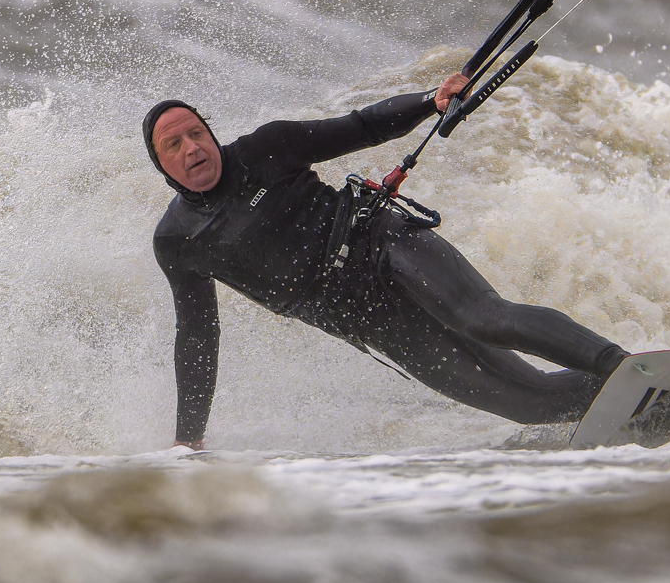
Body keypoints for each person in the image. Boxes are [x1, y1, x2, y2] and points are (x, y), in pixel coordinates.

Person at [144, 75, 628, 449]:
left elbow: (362, 126)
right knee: (527, 401)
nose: (192, 148)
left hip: (382, 245)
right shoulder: (177, 242)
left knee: (483, 318)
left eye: (197, 133)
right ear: (161, 164)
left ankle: (622, 367)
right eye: (175, 144)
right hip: (366, 317)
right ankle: (650, 401)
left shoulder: (266, 148)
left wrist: (429, 102)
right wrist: (189, 438)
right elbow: (197, 337)